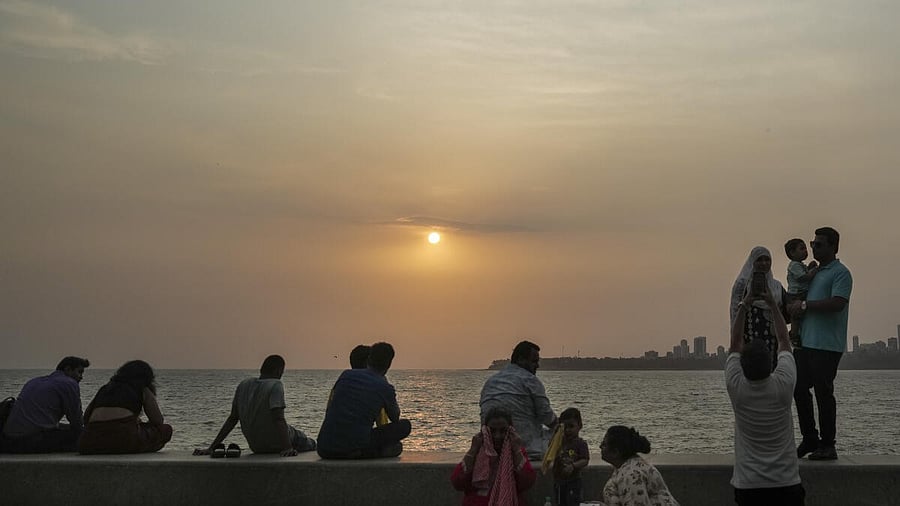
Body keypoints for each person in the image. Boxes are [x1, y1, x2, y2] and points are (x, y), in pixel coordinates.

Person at [727, 286, 805, 505]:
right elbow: (783, 340)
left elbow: (735, 343)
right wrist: (773, 304)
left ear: (742, 365)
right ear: (770, 363)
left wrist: (744, 304)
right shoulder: (783, 385)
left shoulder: (737, 388)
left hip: (749, 486)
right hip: (786, 483)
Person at [787, 227, 852, 461]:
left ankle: (828, 444)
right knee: (798, 388)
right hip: (805, 344)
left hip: (827, 346)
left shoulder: (840, 273)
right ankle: (810, 438)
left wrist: (805, 307)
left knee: (824, 393)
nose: (814, 247)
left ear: (834, 247)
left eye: (819, 244)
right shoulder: (811, 273)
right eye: (813, 243)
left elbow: (838, 303)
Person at [194, 354, 316, 457]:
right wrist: (287, 448)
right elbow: (278, 418)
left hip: (256, 446)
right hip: (279, 443)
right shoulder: (275, 385)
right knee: (311, 443)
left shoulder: (243, 385)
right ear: (278, 371)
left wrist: (211, 448)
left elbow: (232, 419)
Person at [317, 341, 411, 458]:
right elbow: (395, 417)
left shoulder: (346, 375)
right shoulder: (384, 386)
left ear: (369, 359)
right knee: (405, 426)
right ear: (389, 364)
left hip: (324, 448)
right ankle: (359, 452)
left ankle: (356, 451)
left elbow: (330, 408)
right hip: (354, 445)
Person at [480, 340, 557, 460]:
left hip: (490, 448)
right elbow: (546, 416)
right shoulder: (530, 380)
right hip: (525, 449)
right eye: (534, 361)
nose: (537, 365)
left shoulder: (491, 381)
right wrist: (559, 424)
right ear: (521, 359)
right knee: (562, 430)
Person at [77, 360, 172, 454]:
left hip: (89, 441)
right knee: (165, 429)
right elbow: (157, 421)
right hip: (125, 439)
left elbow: (86, 419)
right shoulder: (143, 389)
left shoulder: (105, 389)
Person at [0, 356, 90, 453]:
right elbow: (76, 422)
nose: (81, 377)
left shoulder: (33, 381)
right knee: (85, 436)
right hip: (32, 441)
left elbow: (36, 420)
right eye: (79, 372)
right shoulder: (69, 383)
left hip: (9, 440)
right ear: (67, 369)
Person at [450, 407, 536, 506]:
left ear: (510, 430)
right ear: (485, 430)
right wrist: (473, 450)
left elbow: (527, 482)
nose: (497, 436)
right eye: (492, 431)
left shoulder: (516, 452)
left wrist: (516, 450)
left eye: (502, 431)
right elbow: (458, 483)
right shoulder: (477, 451)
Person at [730, 246, 788, 370]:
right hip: (749, 342)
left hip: (773, 343)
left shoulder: (777, 287)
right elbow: (735, 315)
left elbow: (786, 314)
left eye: (767, 260)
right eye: (759, 260)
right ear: (752, 262)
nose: (763, 263)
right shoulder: (742, 286)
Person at [599, 426, 679, 506]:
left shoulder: (632, 475)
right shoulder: (626, 467)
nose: (600, 446)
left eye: (604, 444)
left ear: (616, 452)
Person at [551, 408, 590, 506]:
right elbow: (550, 448)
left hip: (573, 481)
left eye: (571, 426)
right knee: (560, 502)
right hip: (559, 481)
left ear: (579, 426)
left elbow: (585, 460)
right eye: (565, 427)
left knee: (573, 502)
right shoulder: (560, 442)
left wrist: (573, 466)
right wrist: (555, 435)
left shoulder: (580, 443)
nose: (567, 430)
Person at [784, 238, 819, 346]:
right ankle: (794, 336)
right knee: (795, 316)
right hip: (796, 295)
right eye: (801, 248)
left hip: (801, 294)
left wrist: (810, 267)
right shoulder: (794, 265)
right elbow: (803, 277)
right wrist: (815, 271)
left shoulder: (799, 265)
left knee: (799, 316)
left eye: (805, 248)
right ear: (792, 253)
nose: (805, 251)